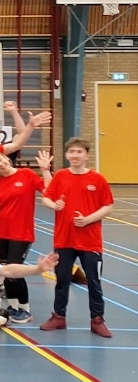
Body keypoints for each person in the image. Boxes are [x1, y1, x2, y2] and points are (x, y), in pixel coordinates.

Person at [41, 138, 114, 337]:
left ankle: (97, 320)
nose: (75, 155)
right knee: (62, 280)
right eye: (72, 151)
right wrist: (54, 205)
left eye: (79, 152)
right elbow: (46, 197)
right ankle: (59, 317)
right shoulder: (61, 176)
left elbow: (108, 206)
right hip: (64, 239)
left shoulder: (98, 179)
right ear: (66, 155)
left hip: (90, 241)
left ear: (86, 155)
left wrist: (88, 219)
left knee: (94, 282)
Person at [0, 150, 52, 325]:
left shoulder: (27, 174)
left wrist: (45, 171)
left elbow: (49, 190)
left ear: (6, 158)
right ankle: (13, 306)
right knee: (6, 270)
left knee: (15, 270)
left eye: (0, 160)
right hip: (1, 231)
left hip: (21, 232)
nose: (0, 164)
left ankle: (25, 309)